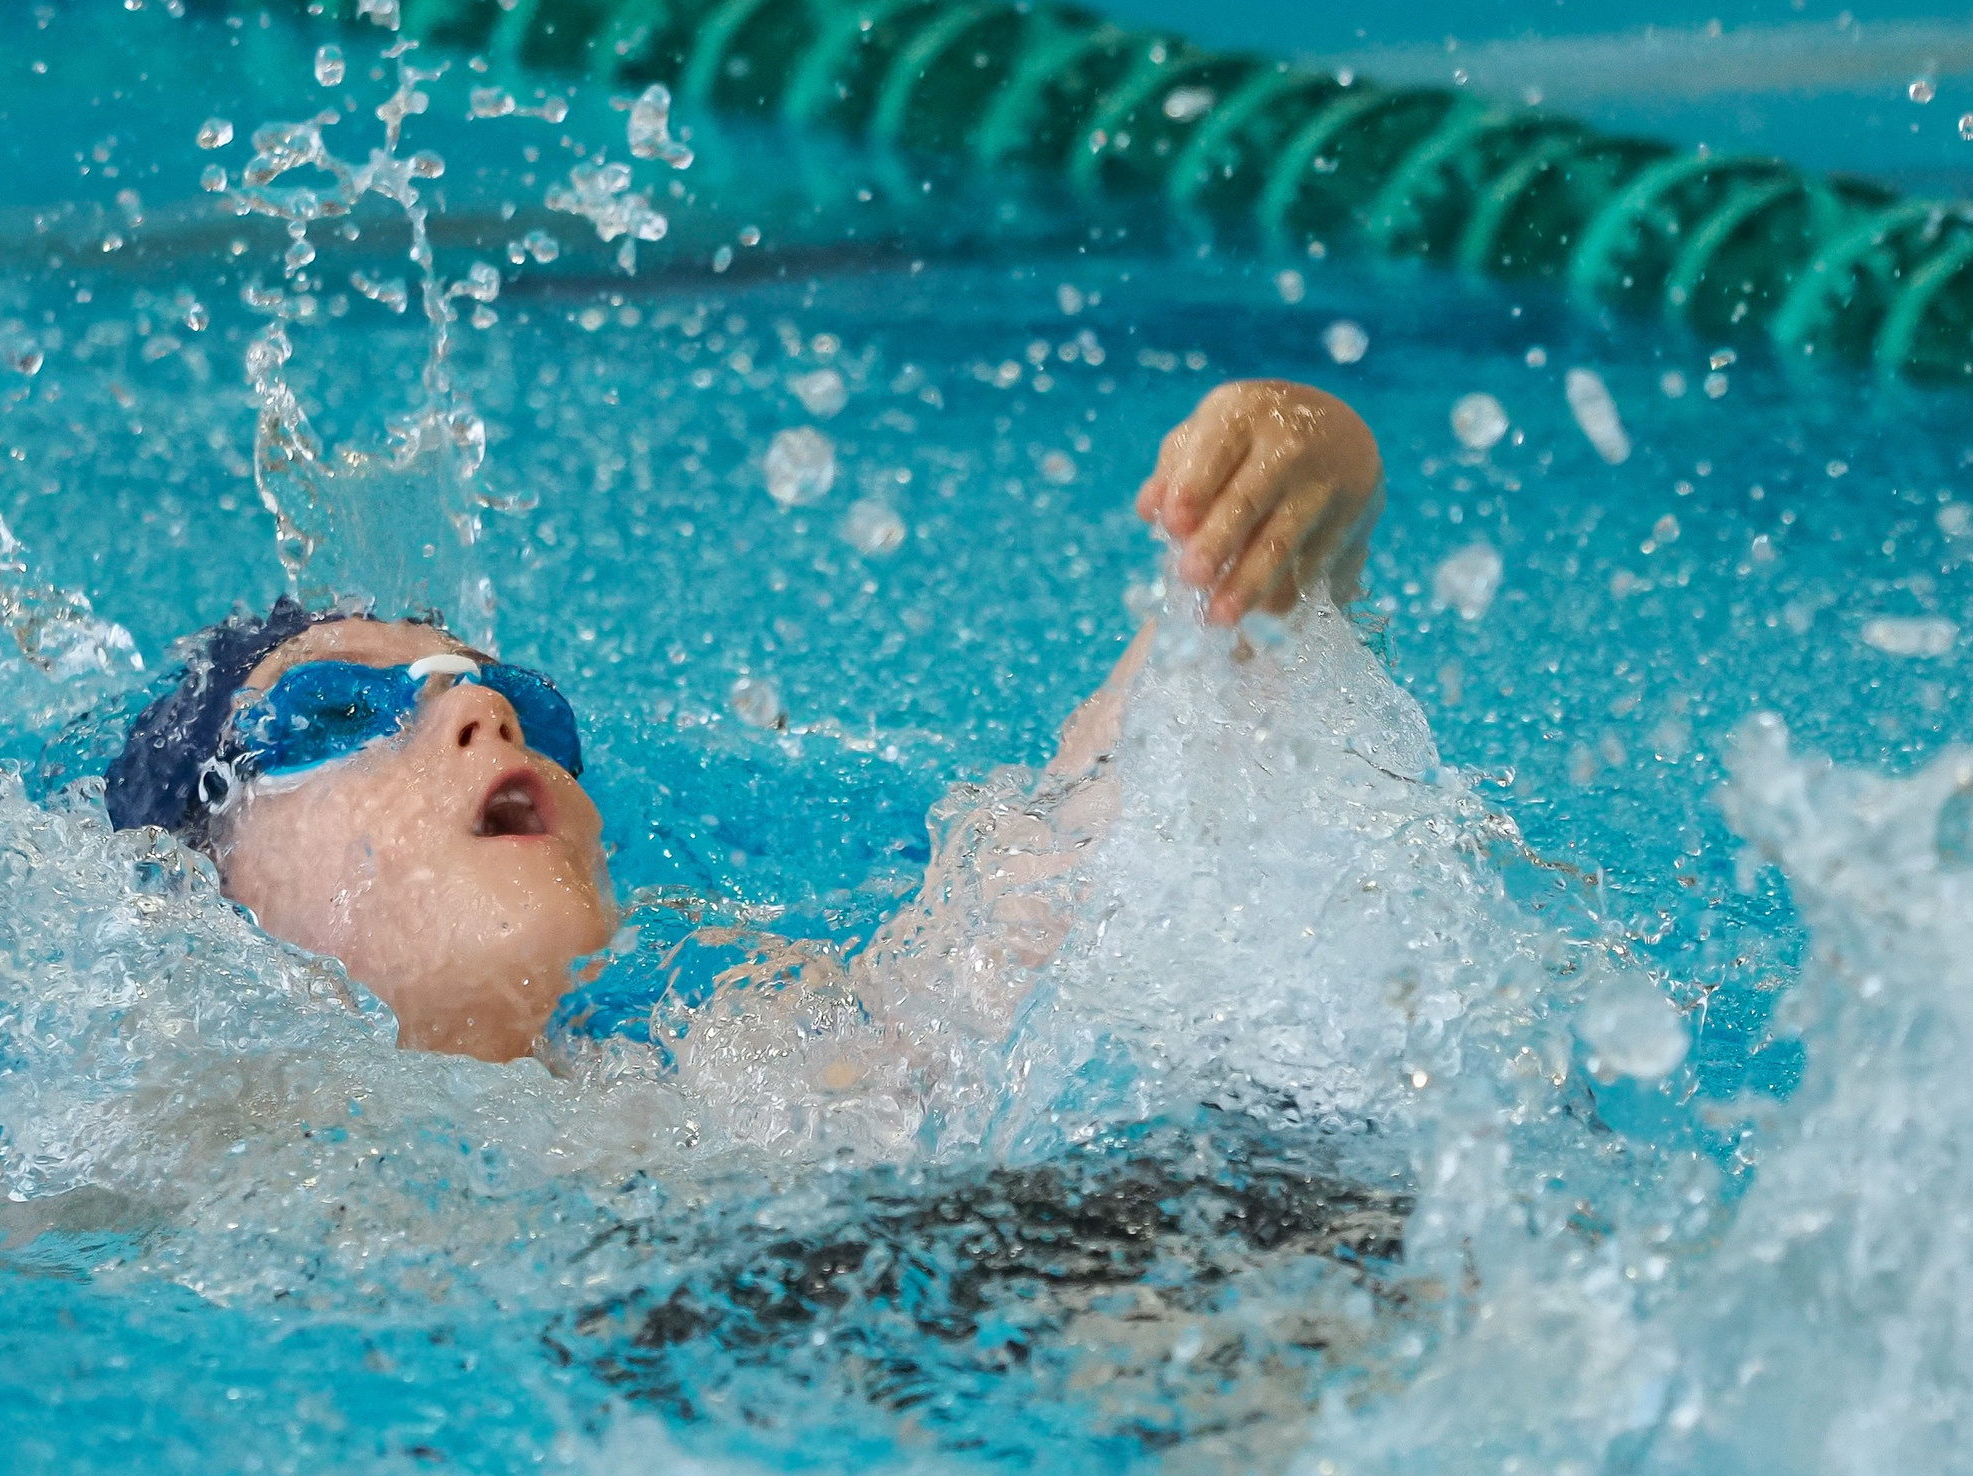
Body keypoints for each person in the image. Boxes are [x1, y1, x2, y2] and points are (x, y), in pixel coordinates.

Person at [104, 379, 1385, 1063]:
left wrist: (1290, 462)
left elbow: (1152, 759)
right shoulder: (136, 1165)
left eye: (524, 708)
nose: (486, 711)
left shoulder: (765, 1086)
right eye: (336, 712)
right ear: (180, 886)